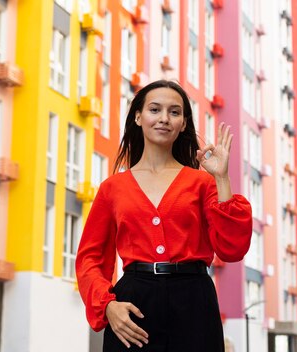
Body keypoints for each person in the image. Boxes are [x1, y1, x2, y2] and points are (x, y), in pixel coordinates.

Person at [75, 80, 253, 352]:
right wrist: (107, 305)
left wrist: (222, 179)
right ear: (138, 117)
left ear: (183, 123)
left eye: (174, 112)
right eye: (155, 109)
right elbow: (90, 258)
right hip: (133, 309)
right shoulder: (112, 188)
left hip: (194, 303)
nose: (164, 119)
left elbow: (232, 249)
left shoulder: (203, 183)